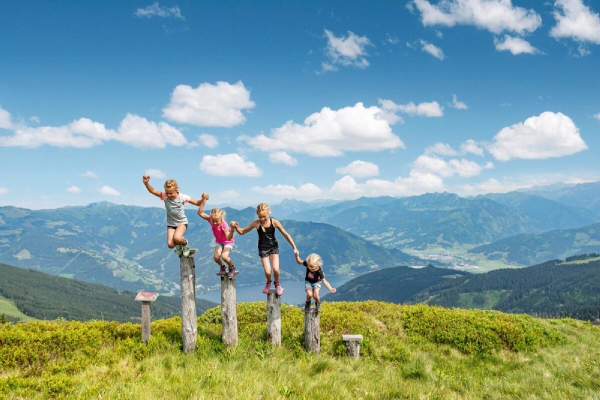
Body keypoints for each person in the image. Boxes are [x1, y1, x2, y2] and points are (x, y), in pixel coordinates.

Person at [230, 203, 298, 296]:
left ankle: (277, 284)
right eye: (260, 217)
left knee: (276, 269)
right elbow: (242, 232)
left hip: (273, 247)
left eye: (264, 216)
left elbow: (286, 234)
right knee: (267, 271)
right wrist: (235, 227)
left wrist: (294, 247)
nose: (262, 219)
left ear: (268, 213)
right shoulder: (256, 223)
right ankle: (269, 282)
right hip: (263, 249)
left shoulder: (274, 222)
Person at [142, 175, 201, 257]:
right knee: (170, 245)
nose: (169, 195)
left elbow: (197, 203)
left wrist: (204, 199)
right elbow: (152, 191)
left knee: (177, 238)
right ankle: (180, 245)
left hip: (182, 222)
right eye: (167, 193)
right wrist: (146, 183)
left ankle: (185, 244)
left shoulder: (183, 197)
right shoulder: (165, 196)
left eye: (171, 193)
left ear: (177, 190)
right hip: (171, 224)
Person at [197, 193, 237, 277]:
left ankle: (232, 267)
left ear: (221, 218)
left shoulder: (224, 225)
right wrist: (204, 200)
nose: (214, 223)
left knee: (224, 256)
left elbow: (229, 237)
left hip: (228, 242)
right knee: (216, 257)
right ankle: (223, 266)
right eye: (213, 221)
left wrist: (232, 230)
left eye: (217, 221)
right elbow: (200, 213)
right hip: (219, 241)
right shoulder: (210, 219)